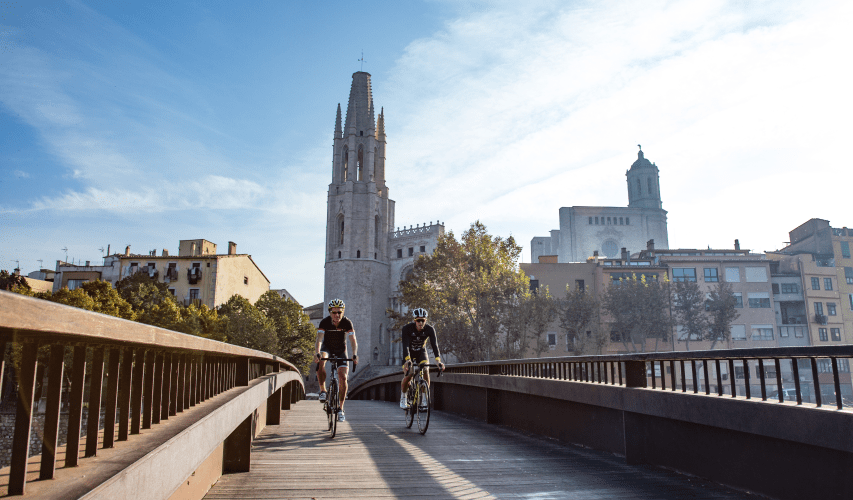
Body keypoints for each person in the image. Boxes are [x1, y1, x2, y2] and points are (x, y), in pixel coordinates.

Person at [315, 298, 358, 422]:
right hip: (327, 348)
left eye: (339, 312)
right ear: (330, 313)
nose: (337, 315)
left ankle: (340, 408)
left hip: (341, 350)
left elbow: (353, 340)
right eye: (334, 312)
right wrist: (317, 353)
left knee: (343, 377)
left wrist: (354, 354)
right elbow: (319, 339)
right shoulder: (324, 322)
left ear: (343, 312)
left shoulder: (347, 323)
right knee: (321, 360)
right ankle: (323, 390)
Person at [400, 307, 444, 409]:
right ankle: (403, 397)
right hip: (409, 353)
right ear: (414, 321)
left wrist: (438, 361)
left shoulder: (430, 329)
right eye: (418, 320)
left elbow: (434, 345)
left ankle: (424, 399)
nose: (420, 323)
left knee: (425, 370)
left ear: (426, 320)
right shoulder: (407, 329)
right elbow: (405, 345)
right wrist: (407, 360)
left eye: (422, 320)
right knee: (410, 374)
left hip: (421, 352)